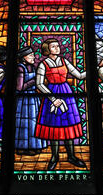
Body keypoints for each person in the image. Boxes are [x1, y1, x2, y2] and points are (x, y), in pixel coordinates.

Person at [35, 38, 87, 170]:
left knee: (68, 124)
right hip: (51, 94)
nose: (57, 48)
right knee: (54, 125)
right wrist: (53, 99)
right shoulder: (43, 64)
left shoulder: (64, 61)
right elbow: (39, 84)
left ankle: (71, 156)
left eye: (58, 46)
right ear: (47, 49)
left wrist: (96, 68)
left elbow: (79, 75)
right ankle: (54, 157)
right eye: (53, 46)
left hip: (66, 93)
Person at [15, 46, 47, 155]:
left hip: (33, 98)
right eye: (30, 55)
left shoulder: (33, 67)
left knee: (33, 122)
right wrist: (34, 81)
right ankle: (22, 147)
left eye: (33, 54)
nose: (34, 57)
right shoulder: (20, 68)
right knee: (23, 123)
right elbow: (19, 88)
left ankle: (35, 145)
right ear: (24, 58)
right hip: (23, 100)